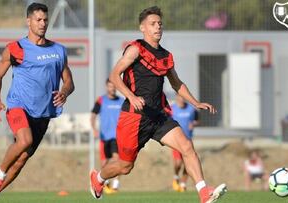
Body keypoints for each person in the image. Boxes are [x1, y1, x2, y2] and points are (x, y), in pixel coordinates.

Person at [89, 6, 227, 203]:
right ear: (142, 28)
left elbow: (176, 83)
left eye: (160, 24)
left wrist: (195, 102)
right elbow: (114, 75)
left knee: (187, 146)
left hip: (158, 115)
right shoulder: (135, 49)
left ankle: (204, 193)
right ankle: (99, 178)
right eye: (153, 24)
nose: (157, 27)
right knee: (124, 167)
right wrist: (131, 96)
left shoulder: (166, 56)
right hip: (134, 118)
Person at [0, 3, 74, 203]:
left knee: (22, 159)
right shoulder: (15, 48)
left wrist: (65, 92)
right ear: (28, 21)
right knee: (24, 141)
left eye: (45, 20)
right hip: (18, 106)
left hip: (43, 114)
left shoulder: (58, 50)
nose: (43, 24)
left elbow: (69, 81)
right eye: (38, 20)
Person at [90, 79, 124, 194]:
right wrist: (94, 129)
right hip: (104, 138)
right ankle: (106, 184)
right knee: (104, 164)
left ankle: (115, 185)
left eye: (114, 86)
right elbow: (93, 116)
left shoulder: (121, 101)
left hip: (117, 137)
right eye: (110, 86)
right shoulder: (101, 100)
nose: (112, 89)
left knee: (117, 160)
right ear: (106, 87)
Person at [171, 94, 199, 192]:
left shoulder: (191, 109)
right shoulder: (172, 109)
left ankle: (183, 184)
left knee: (188, 162)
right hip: (176, 140)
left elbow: (197, 120)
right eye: (180, 97)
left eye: (184, 97)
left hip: (188, 140)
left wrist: (194, 123)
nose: (182, 99)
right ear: (177, 98)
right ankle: (175, 176)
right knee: (178, 163)